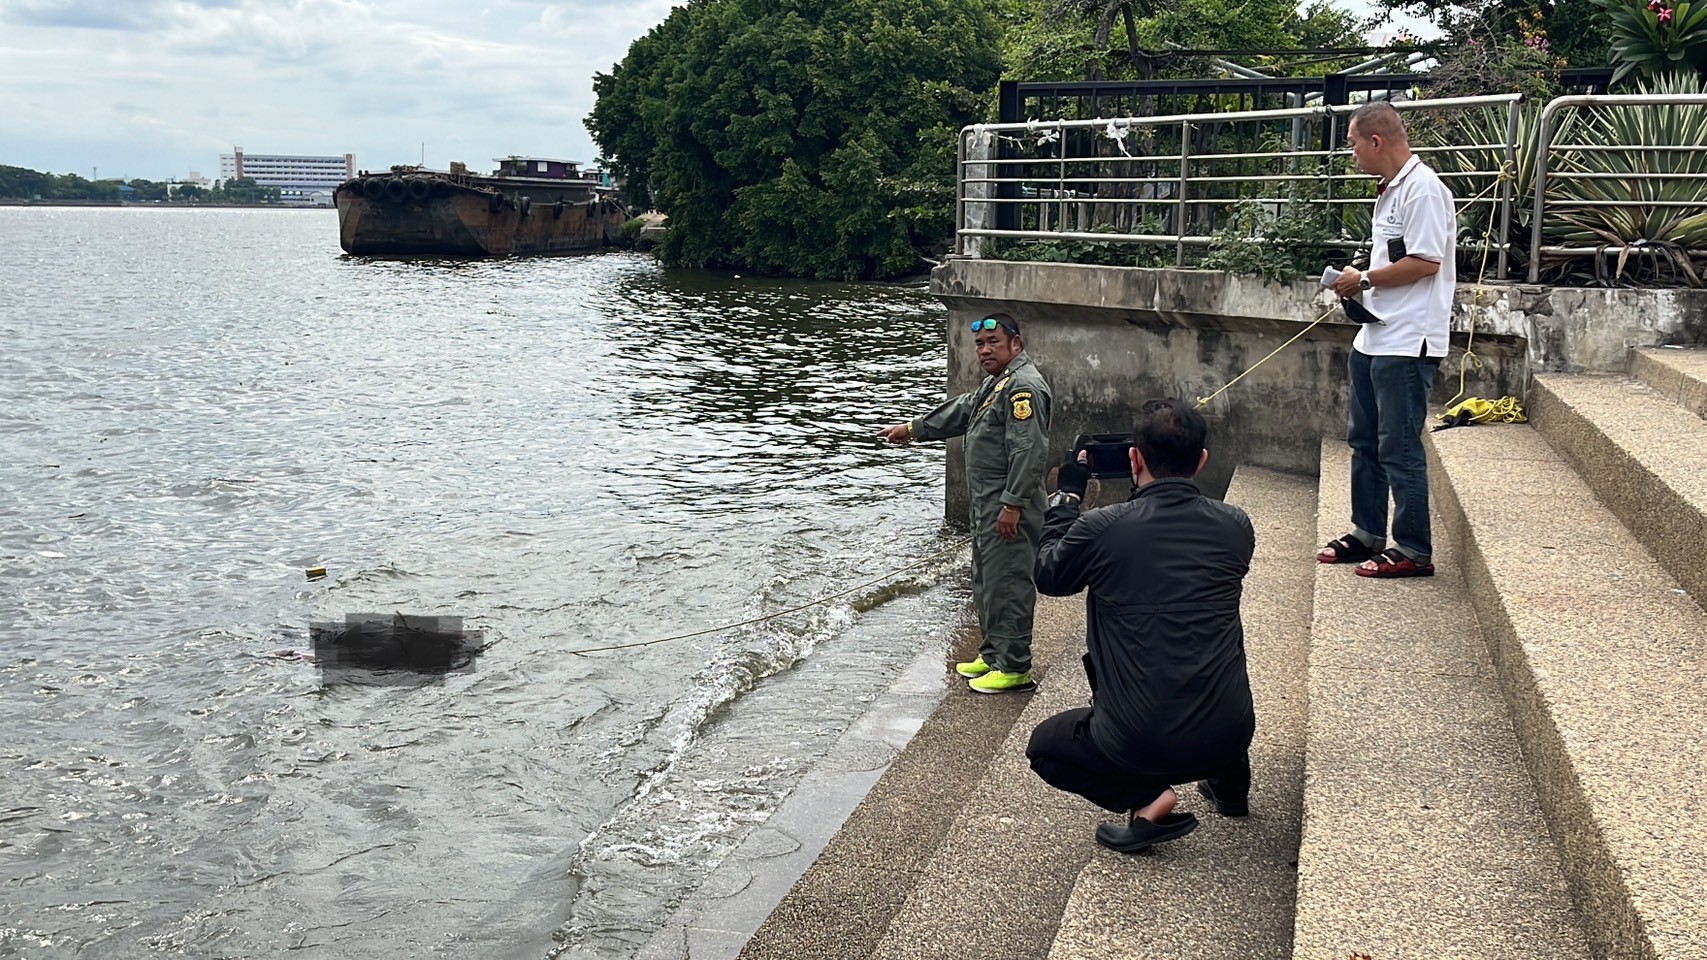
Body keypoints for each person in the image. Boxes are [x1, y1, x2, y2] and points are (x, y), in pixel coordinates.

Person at [1025, 399, 1256, 854]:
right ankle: (1231, 792)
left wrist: (1067, 500)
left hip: (1141, 742)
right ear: (1202, 460)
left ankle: (1149, 798)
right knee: (1202, 656)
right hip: (1232, 731)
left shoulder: (1101, 526)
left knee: (1044, 747)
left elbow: (1050, 576)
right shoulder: (1236, 525)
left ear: (1135, 458)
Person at [879, 312, 1052, 694]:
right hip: (989, 502)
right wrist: (912, 429)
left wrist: (1012, 504)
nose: (985, 350)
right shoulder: (999, 384)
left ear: (1016, 345)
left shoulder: (1023, 388)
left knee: (1008, 582)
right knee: (988, 580)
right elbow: (962, 409)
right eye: (979, 345)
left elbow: (1029, 451)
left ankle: (1014, 666)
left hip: (1008, 504)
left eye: (994, 343)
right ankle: (993, 653)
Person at [1323, 100, 1457, 578]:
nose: (1353, 155)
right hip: (1375, 333)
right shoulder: (1391, 189)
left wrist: (1364, 279)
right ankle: (1367, 531)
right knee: (1363, 440)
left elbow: (1425, 262)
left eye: (1355, 144)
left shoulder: (1423, 190)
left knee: (1398, 446)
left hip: (1408, 337)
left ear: (1375, 141)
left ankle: (1414, 548)